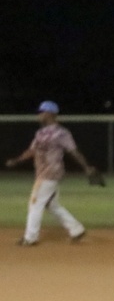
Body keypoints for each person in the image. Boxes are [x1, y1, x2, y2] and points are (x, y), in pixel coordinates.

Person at [5, 100, 100, 246]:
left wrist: (86, 166)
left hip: (50, 172)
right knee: (52, 204)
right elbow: (32, 151)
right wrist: (17, 160)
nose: (39, 115)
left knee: (35, 203)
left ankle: (30, 237)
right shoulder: (40, 133)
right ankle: (76, 229)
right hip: (43, 172)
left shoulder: (61, 133)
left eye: (42, 112)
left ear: (50, 113)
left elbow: (73, 151)